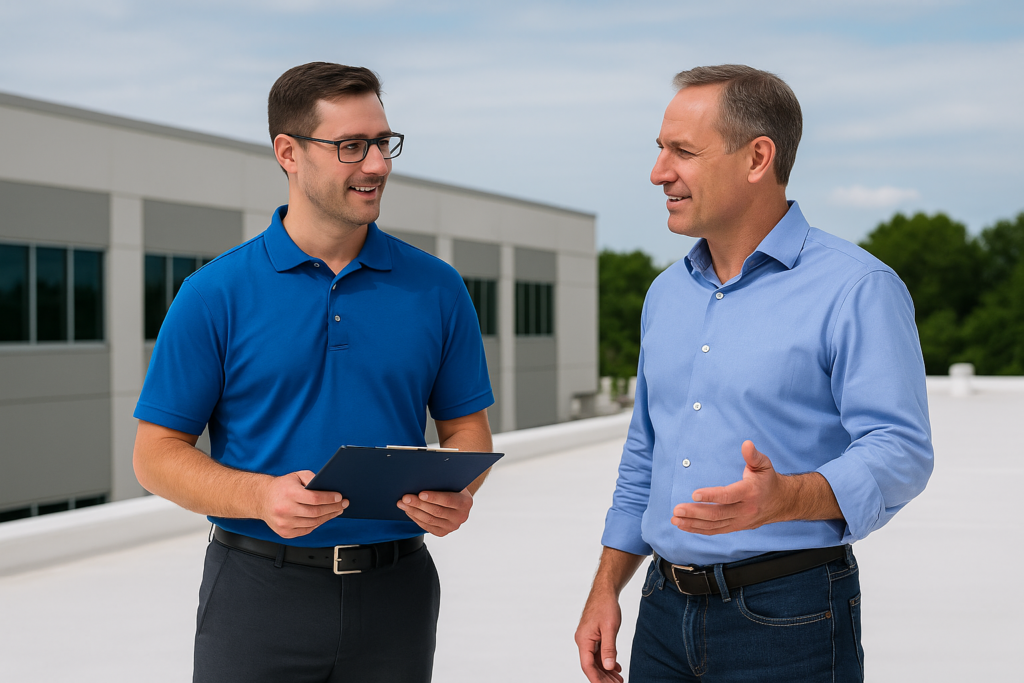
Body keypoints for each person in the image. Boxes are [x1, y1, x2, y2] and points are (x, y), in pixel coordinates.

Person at [132, 62, 494, 683]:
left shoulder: (437, 289)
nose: (377, 164)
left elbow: (469, 433)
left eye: (383, 143)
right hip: (257, 595)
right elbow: (156, 455)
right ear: (288, 153)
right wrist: (260, 496)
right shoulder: (214, 293)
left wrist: (454, 494)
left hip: (398, 594)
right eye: (351, 147)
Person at [574, 65, 933, 682]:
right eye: (660, 150)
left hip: (789, 617)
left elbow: (900, 451)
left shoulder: (857, 288)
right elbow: (645, 453)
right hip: (660, 610)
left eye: (682, 151)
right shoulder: (666, 294)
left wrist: (784, 497)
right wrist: (607, 585)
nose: (659, 172)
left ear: (757, 157)